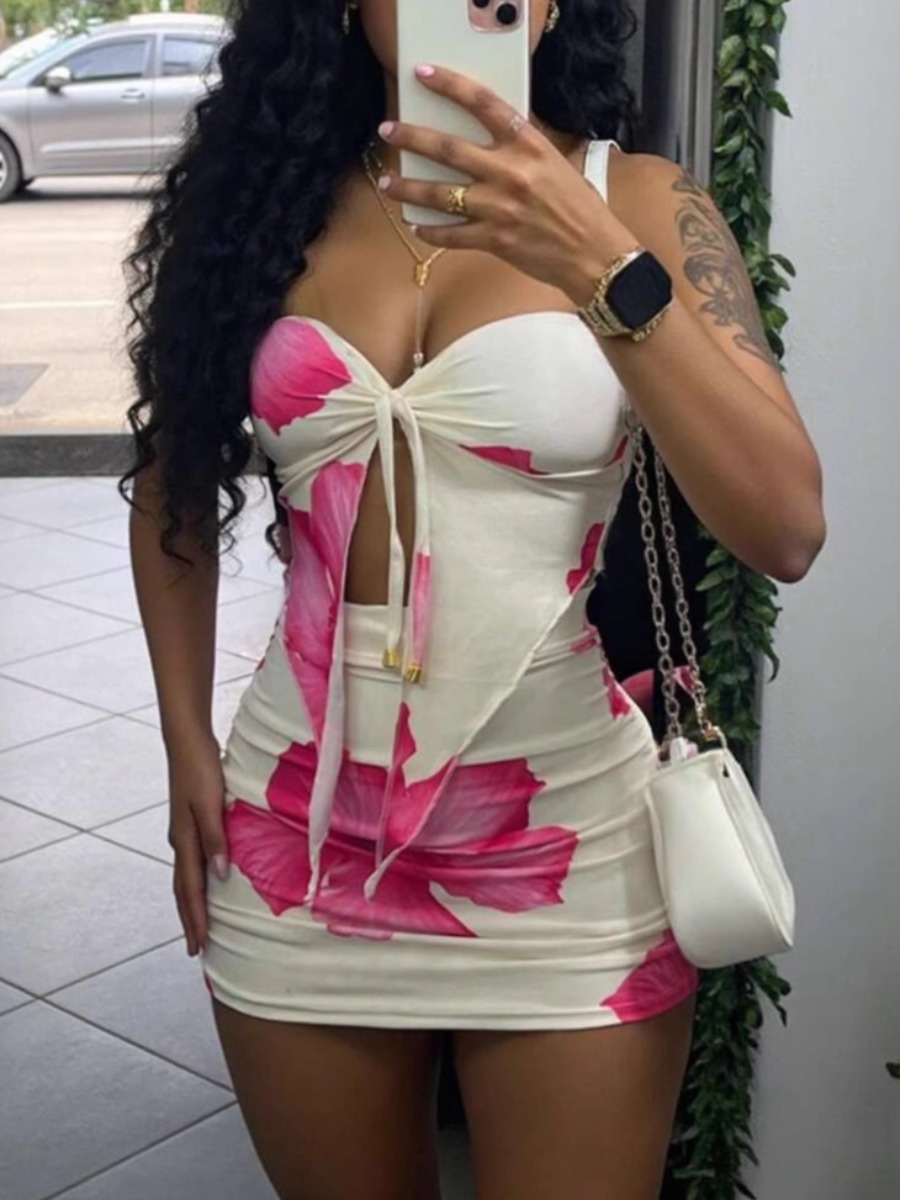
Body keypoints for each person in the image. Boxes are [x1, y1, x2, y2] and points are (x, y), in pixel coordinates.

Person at [120, 2, 826, 1198]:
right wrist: (185, 741)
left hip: (570, 844)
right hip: (293, 836)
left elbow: (785, 525)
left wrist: (599, 267)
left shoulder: (638, 201)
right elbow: (172, 484)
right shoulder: (266, 204)